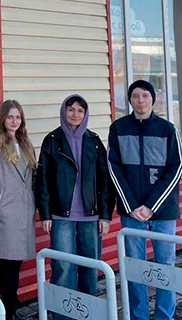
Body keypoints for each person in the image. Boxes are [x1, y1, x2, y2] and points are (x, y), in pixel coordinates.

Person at [107, 80, 182, 320]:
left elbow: (176, 169)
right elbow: (113, 168)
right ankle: (138, 315)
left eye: (145, 96)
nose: (140, 100)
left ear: (153, 98)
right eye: (136, 96)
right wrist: (131, 206)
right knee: (134, 266)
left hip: (162, 211)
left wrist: (151, 206)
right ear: (130, 100)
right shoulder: (118, 128)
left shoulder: (167, 130)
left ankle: (164, 315)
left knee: (165, 266)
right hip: (132, 212)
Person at [35, 94, 114, 313]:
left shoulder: (94, 142)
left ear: (85, 114)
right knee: (63, 266)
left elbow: (105, 181)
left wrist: (105, 215)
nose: (75, 114)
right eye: (71, 109)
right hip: (61, 215)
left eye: (80, 110)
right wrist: (45, 214)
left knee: (90, 266)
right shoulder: (52, 140)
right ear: (64, 111)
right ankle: (63, 314)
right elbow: (42, 180)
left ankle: (85, 312)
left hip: (91, 216)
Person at [0, 100, 37, 319]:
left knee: (16, 263)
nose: (14, 121)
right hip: (5, 212)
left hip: (24, 210)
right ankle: (8, 310)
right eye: (10, 117)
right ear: (3, 119)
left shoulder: (26, 143)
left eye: (18, 117)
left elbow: (33, 174)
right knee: (6, 265)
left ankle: (10, 304)